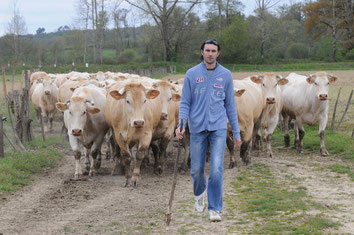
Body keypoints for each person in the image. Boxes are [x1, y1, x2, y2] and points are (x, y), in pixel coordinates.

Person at [175, 39, 241, 222]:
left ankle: (214, 208)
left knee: (217, 170)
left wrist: (236, 133)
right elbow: (185, 102)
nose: (210, 53)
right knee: (196, 170)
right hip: (197, 128)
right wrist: (180, 125)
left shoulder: (226, 75)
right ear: (202, 52)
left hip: (218, 128)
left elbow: (230, 106)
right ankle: (199, 192)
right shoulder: (192, 74)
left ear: (218, 53)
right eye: (207, 50)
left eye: (213, 51)